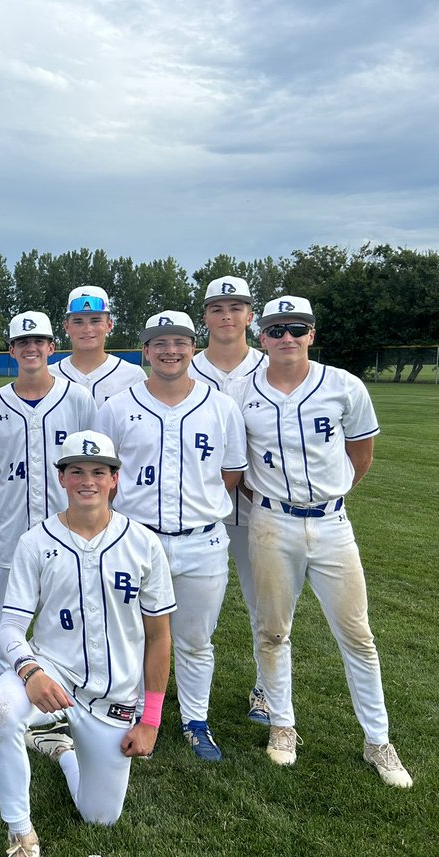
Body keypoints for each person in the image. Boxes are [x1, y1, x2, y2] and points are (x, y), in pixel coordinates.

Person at [227, 297, 412, 787]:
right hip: (269, 523)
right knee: (271, 631)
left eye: (297, 328)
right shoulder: (241, 392)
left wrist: (330, 497)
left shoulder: (343, 385)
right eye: (276, 329)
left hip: (332, 523)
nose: (286, 337)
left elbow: (361, 453)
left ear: (312, 334)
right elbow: (239, 467)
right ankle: (283, 725)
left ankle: (378, 740)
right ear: (261, 336)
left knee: (358, 636)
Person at [0, 431, 173, 857]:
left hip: (115, 691)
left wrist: (151, 720)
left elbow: (159, 637)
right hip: (55, 671)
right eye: (76, 471)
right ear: (62, 478)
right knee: (2, 711)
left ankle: (60, 749)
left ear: (114, 479)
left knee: (100, 817)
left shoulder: (144, 544)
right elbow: (8, 628)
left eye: (98, 471)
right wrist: (30, 671)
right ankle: (22, 838)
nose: (87, 480)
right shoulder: (35, 541)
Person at [96, 310, 247, 761]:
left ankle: (195, 720)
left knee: (196, 639)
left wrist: (196, 510)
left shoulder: (221, 406)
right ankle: (140, 713)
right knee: (133, 634)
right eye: (159, 342)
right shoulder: (117, 407)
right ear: (145, 351)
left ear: (193, 348)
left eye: (179, 341)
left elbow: (231, 474)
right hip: (137, 539)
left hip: (203, 541)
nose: (170, 350)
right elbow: (103, 475)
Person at [0, 312, 95, 677]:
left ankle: (66, 687)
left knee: (68, 613)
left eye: (37, 342)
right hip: (11, 525)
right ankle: (6, 689)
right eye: (22, 343)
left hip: (68, 525)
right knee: (8, 615)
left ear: (51, 346)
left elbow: (93, 464)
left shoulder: (77, 398)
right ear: (11, 351)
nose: (31, 348)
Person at [188, 275, 270, 724]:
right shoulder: (183, 364)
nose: (226, 315)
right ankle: (169, 689)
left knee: (266, 608)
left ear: (249, 316)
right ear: (205, 317)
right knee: (187, 612)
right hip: (201, 512)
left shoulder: (268, 365)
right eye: (217, 308)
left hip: (259, 507)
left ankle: (265, 690)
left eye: (235, 307)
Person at [53, 286, 145, 407]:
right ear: (66, 326)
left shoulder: (133, 376)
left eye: (95, 321)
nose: (87, 329)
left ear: (109, 325)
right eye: (78, 322)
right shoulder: (50, 375)